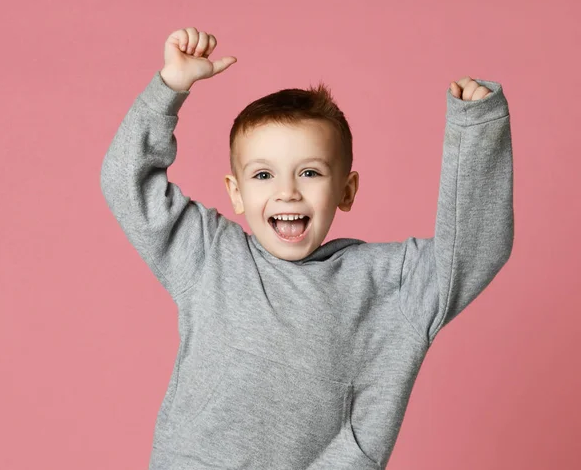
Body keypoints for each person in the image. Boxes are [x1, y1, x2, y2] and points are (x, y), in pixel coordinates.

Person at [100, 27, 514, 469]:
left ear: (346, 190)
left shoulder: (388, 285)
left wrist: (477, 130)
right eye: (263, 175)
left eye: (310, 173)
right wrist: (169, 88)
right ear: (235, 193)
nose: (287, 193)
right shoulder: (210, 257)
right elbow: (126, 184)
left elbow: (475, 249)